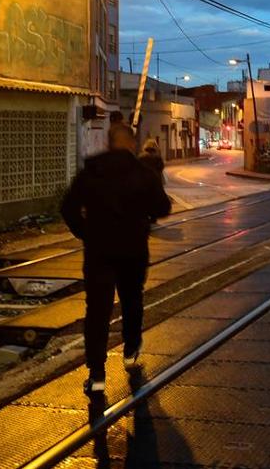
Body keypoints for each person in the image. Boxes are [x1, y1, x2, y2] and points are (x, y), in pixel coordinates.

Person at [60, 122, 170, 394]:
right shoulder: (143, 173)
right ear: (132, 144)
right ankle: (131, 350)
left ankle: (97, 374)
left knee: (97, 311)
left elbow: (68, 207)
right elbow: (162, 207)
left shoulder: (92, 171)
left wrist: (86, 232)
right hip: (133, 249)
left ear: (108, 143)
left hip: (99, 251)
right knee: (132, 300)